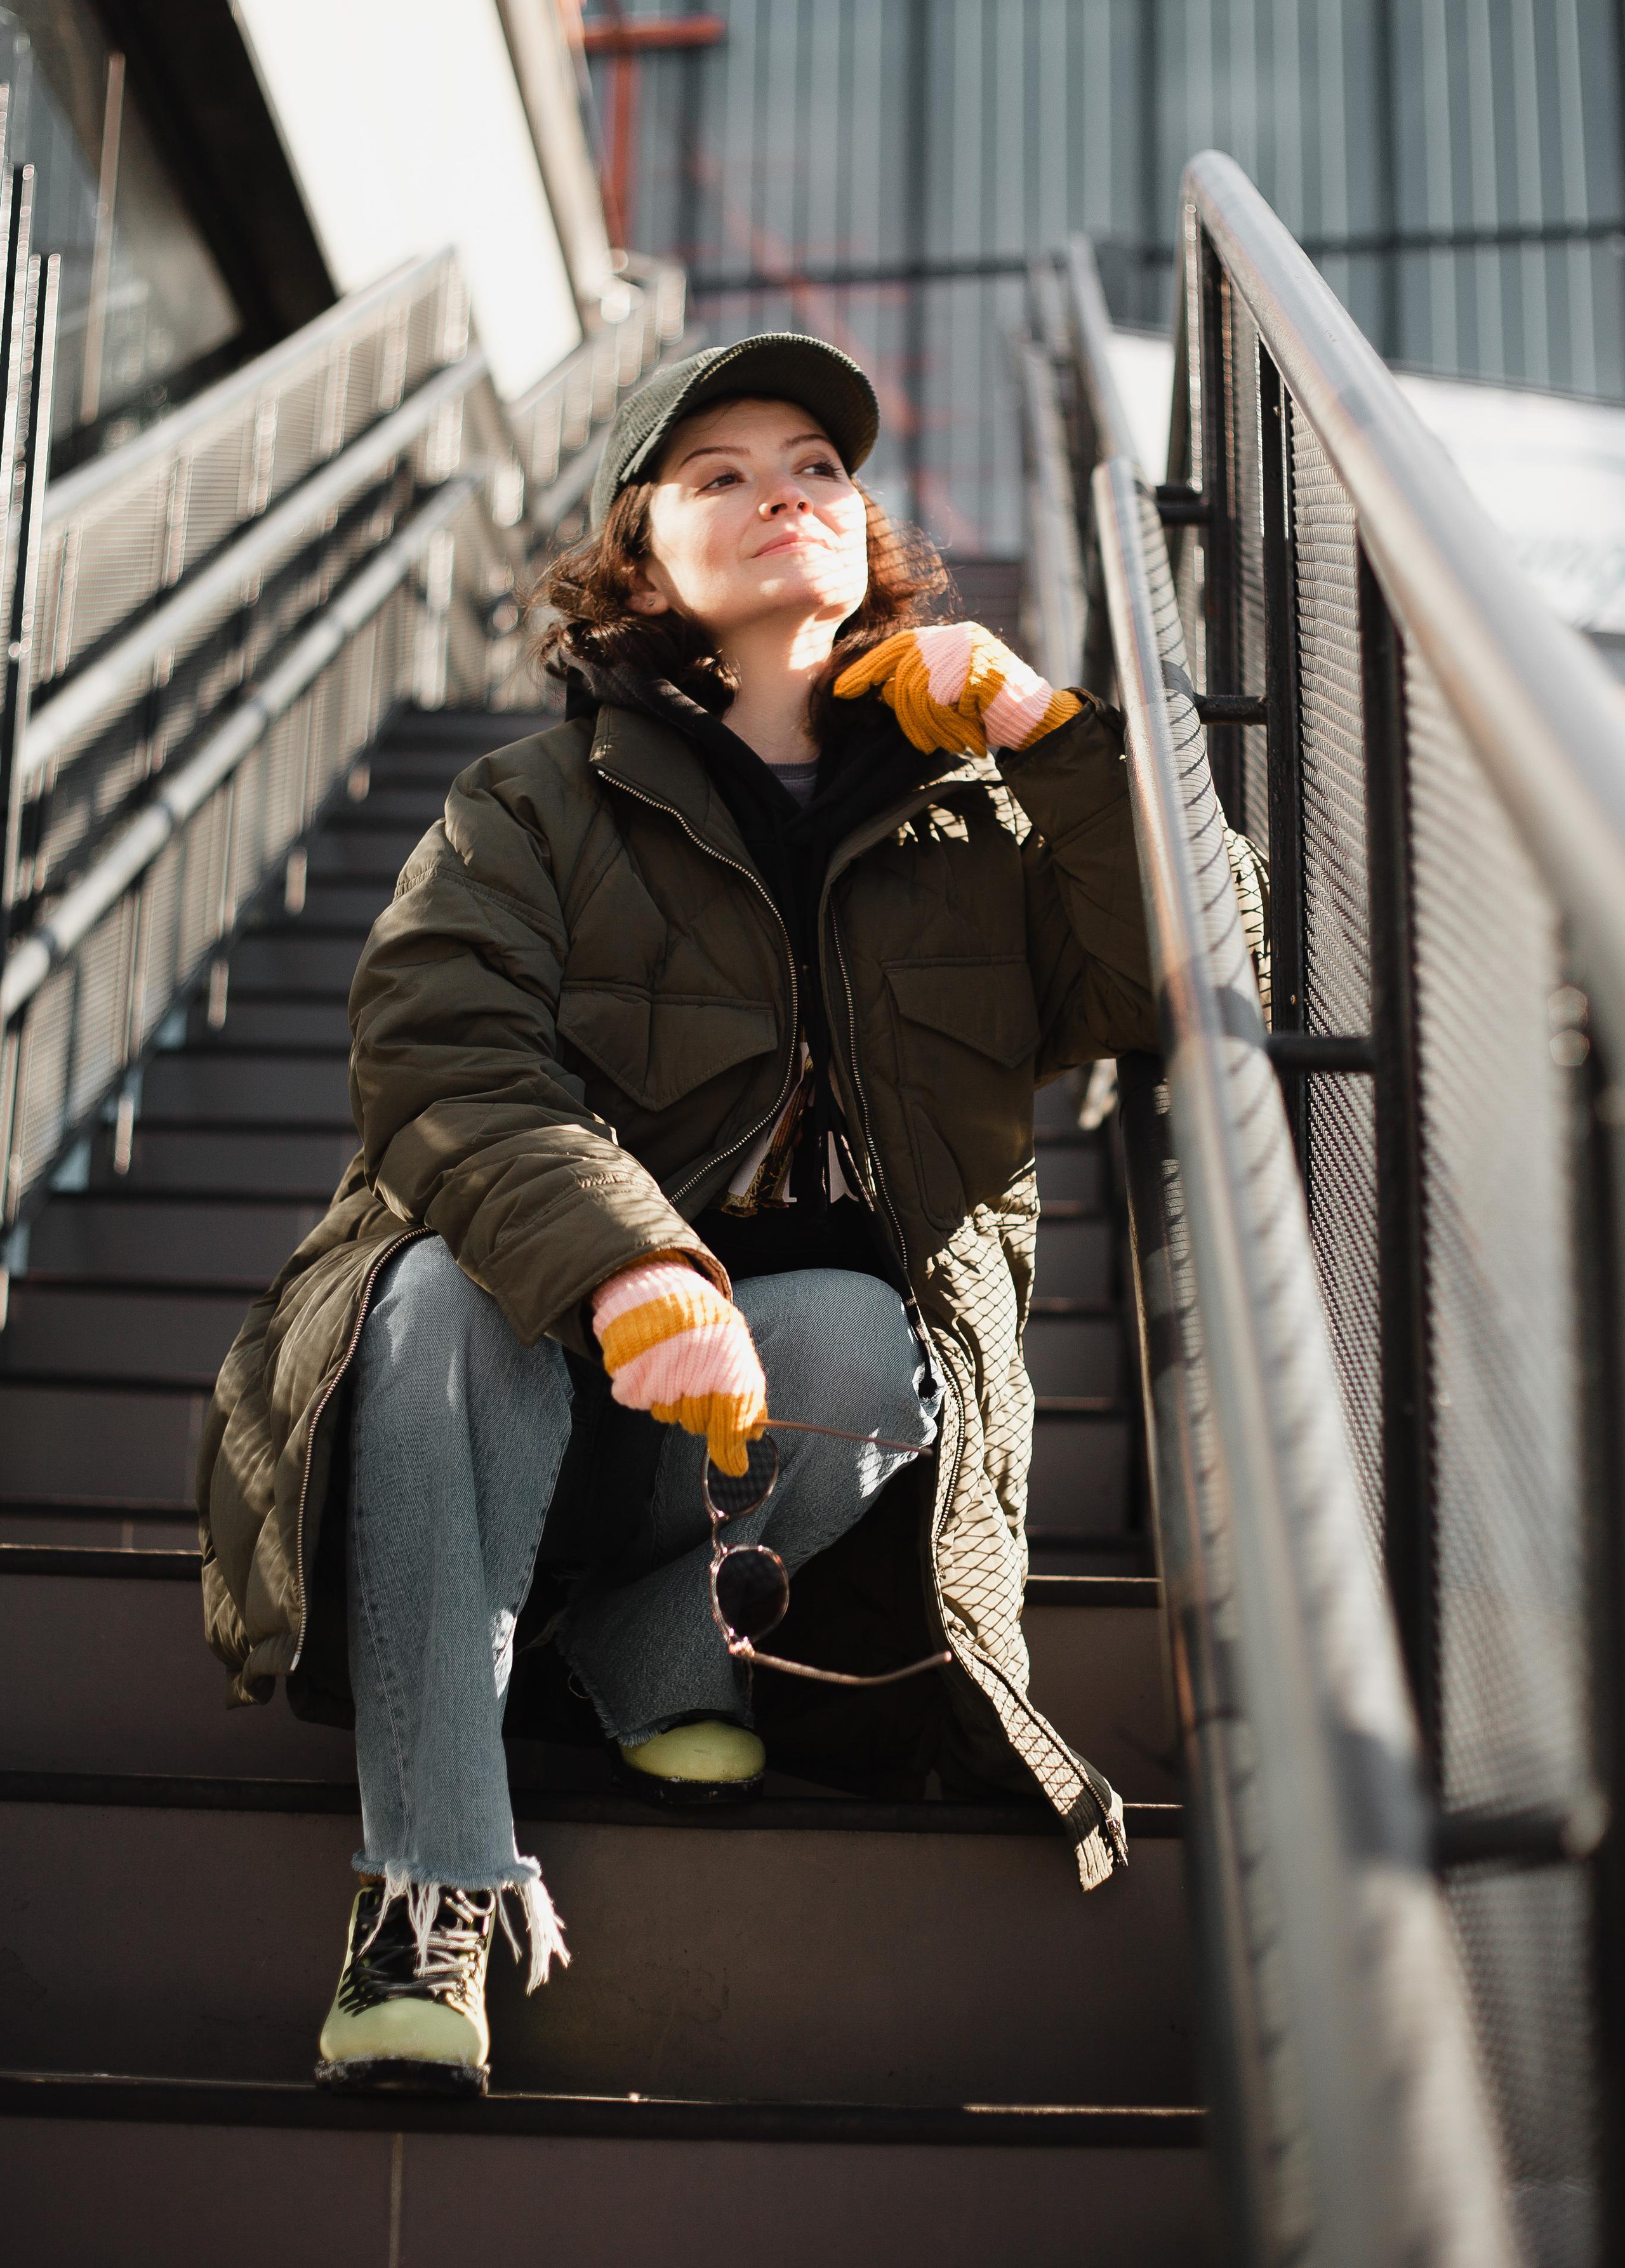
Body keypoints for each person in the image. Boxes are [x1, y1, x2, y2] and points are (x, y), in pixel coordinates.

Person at [197, 333, 1160, 2098]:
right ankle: (430, 1888)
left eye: (818, 465)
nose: (785, 491)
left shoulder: (979, 819)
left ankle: (651, 1635)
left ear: (864, 531)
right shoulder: (532, 802)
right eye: (720, 474)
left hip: (742, 1438)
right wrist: (633, 1261)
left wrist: (1056, 736)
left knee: (865, 1337)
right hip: (504, 1381)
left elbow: (1189, 985)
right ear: (641, 566)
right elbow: (442, 1049)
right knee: (439, 1293)